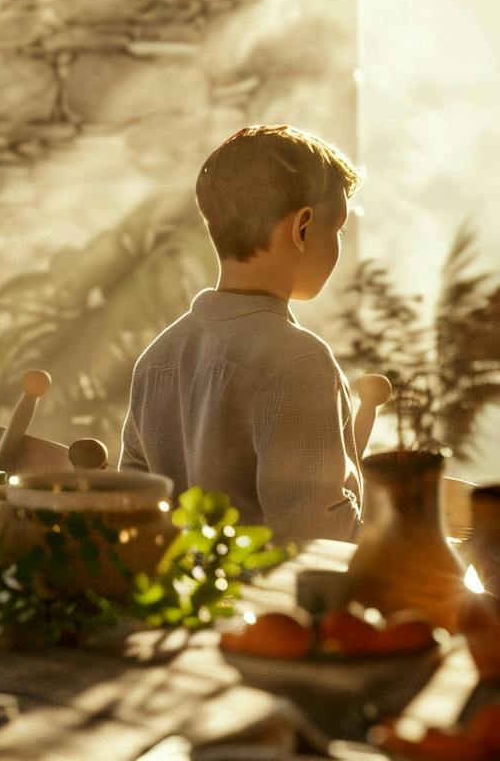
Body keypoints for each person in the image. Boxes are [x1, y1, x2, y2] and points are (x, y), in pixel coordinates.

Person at [119, 125, 367, 543]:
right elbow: (315, 537)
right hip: (261, 603)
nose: (338, 245)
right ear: (302, 228)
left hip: (184, 596)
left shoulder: (159, 355)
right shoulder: (300, 363)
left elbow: (135, 500)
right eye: (337, 229)